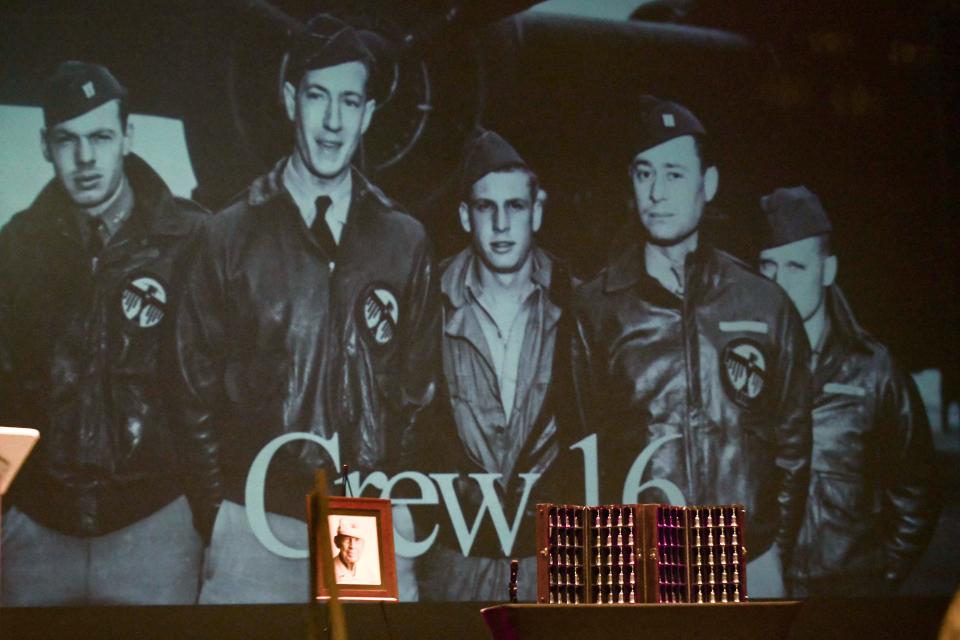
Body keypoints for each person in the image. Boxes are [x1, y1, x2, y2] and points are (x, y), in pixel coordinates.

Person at [175, 16, 440, 603]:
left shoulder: (405, 241)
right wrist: (221, 511)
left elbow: (419, 393)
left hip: (365, 517)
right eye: (318, 97)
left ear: (369, 115)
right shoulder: (227, 236)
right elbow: (193, 391)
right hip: (254, 520)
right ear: (290, 100)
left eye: (351, 101)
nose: (333, 121)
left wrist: (393, 500)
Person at [570, 96, 812, 597]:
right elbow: (578, 449)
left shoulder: (764, 304)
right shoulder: (595, 308)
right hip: (640, 562)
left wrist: (769, 554)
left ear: (710, 185)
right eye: (643, 174)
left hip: (750, 562)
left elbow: (792, 446)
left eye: (675, 175)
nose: (656, 192)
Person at [0, 61, 206, 605]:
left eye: (101, 137)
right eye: (68, 140)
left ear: (128, 137)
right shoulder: (15, 248)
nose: (86, 158)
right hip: (36, 532)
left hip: (155, 527)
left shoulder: (190, 241)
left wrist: (203, 511)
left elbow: (220, 386)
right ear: (45, 145)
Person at [412, 129, 575, 601]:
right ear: (466, 216)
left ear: (537, 212)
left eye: (516, 206)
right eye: (486, 207)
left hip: (553, 562)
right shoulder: (427, 305)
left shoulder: (579, 304)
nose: (502, 224)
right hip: (454, 562)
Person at [757, 186, 940, 596]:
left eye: (797, 267)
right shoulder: (742, 368)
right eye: (769, 267)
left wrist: (881, 577)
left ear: (829, 270)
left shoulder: (872, 371)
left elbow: (918, 491)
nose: (780, 283)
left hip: (848, 596)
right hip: (765, 594)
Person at [331, 518, 378, 584]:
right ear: (337, 542)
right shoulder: (327, 573)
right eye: (347, 539)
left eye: (357, 540)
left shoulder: (369, 576)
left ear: (363, 544)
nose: (352, 546)